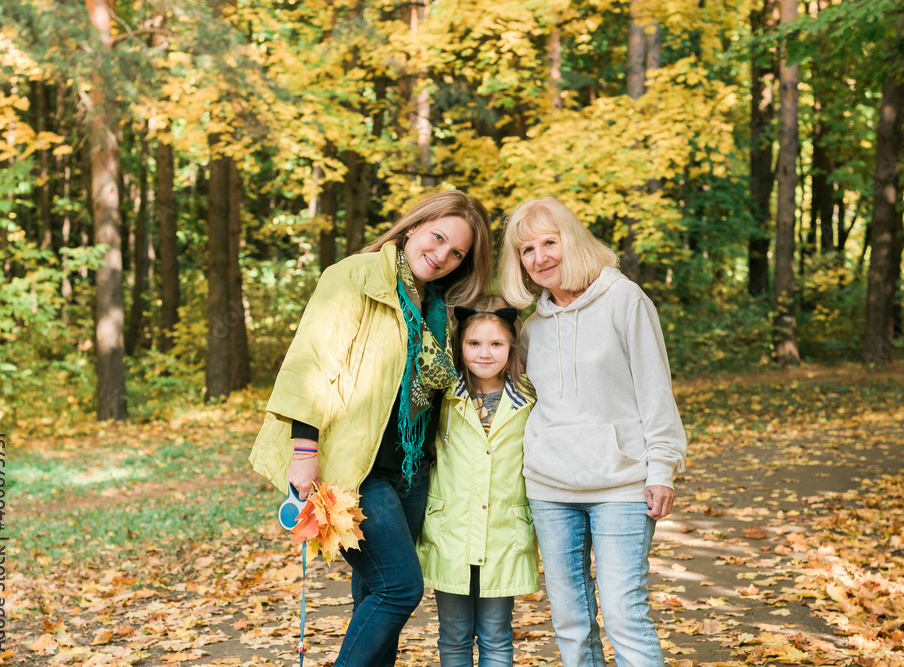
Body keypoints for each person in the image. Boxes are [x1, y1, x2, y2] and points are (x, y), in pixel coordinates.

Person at [249, 190, 492, 666]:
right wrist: (303, 450)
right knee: (399, 588)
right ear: (412, 228)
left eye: (456, 252)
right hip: (354, 469)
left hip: (412, 468)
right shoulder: (352, 277)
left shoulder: (441, 307)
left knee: (373, 595)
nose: (441, 254)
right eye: (437, 237)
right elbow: (311, 364)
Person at [499, 197, 687, 667]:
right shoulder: (529, 328)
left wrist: (662, 469)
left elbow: (655, 391)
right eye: (526, 250)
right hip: (549, 488)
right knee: (570, 621)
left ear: (572, 240)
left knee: (625, 613)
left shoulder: (626, 300)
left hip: (621, 486)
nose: (539, 258)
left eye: (549, 242)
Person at [416, 295, 539, 667]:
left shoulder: (530, 398)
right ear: (460, 345)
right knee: (452, 637)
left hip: (504, 534)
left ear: (511, 346)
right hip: (450, 532)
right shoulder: (444, 397)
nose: (485, 353)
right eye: (474, 343)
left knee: (497, 637)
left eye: (496, 344)